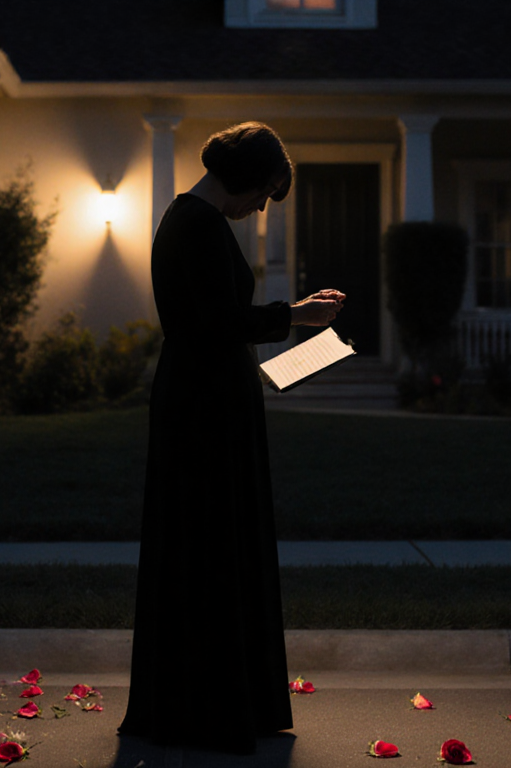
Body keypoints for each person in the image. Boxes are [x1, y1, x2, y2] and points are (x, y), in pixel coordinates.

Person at [118, 122, 344, 755]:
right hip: (201, 411)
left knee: (222, 545)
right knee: (209, 548)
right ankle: (205, 709)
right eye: (264, 193)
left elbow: (221, 322)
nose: (260, 209)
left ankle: (228, 702)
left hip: (213, 400)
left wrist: (291, 334)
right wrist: (297, 316)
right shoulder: (193, 223)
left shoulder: (200, 223)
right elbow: (214, 322)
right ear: (244, 175)